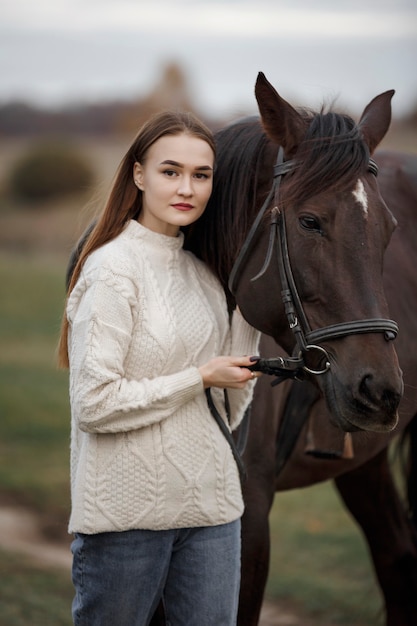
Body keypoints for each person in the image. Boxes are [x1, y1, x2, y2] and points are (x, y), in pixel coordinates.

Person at [58, 110, 261, 626]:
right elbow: (94, 404)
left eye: (201, 174)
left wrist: (249, 317)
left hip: (214, 513)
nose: (187, 187)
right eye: (171, 171)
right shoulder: (111, 270)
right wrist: (198, 377)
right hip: (125, 521)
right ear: (139, 175)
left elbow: (227, 413)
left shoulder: (207, 278)